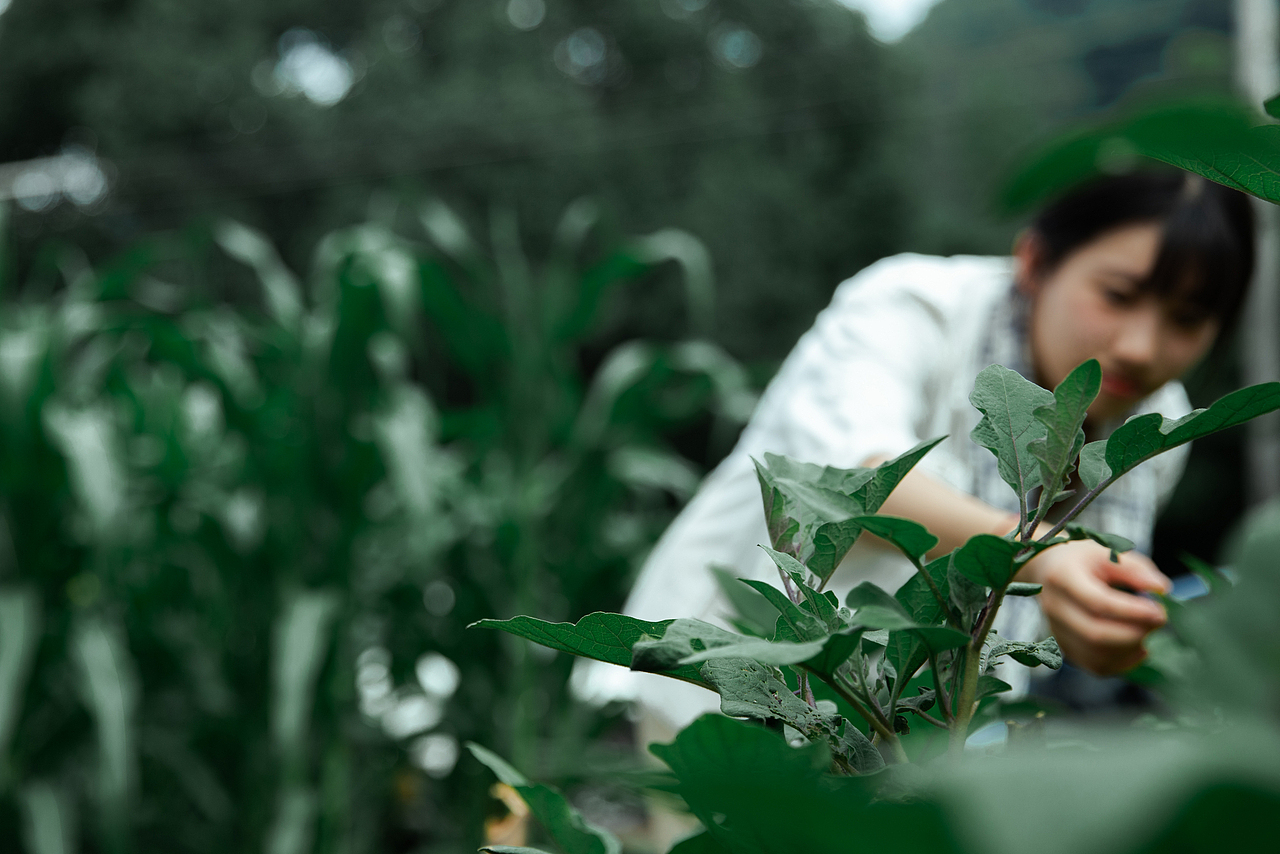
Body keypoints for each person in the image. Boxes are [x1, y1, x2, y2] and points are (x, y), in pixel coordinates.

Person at [574, 169, 1256, 743]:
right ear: (1035, 261)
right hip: (731, 692)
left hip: (926, 746)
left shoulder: (1157, 429)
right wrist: (1041, 555)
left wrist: (1100, 626)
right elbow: (854, 486)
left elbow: (1036, 634)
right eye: (1119, 295)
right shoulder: (912, 305)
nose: (1142, 345)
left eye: (1188, 320)